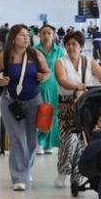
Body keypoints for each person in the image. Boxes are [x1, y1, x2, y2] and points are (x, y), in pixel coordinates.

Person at [0, 24, 51, 191]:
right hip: (11, 103)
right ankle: (19, 178)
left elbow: (47, 72)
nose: (26, 38)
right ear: (13, 38)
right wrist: (0, 81)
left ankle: (26, 170)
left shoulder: (36, 55)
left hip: (33, 102)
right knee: (17, 139)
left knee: (31, 140)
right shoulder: (5, 57)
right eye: (22, 35)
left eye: (27, 35)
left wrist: (42, 77)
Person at [54, 31, 101, 187]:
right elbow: (62, 80)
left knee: (82, 142)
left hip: (86, 105)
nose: (71, 47)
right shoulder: (61, 62)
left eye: (74, 44)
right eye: (68, 44)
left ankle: (77, 175)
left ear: (81, 47)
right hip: (67, 106)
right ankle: (63, 171)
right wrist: (76, 86)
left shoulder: (89, 61)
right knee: (69, 140)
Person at [34, 25, 65, 155]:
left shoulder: (59, 51)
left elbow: (64, 68)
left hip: (55, 86)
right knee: (42, 113)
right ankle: (39, 142)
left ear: (53, 35)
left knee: (53, 114)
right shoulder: (34, 50)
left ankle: (49, 144)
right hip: (39, 85)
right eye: (44, 33)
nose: (46, 36)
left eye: (49, 33)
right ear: (39, 35)